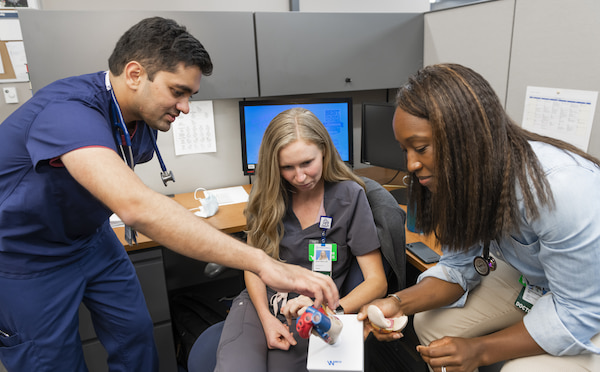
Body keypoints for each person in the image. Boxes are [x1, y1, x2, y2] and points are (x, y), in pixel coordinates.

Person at [0, 17, 338, 372]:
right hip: (26, 255)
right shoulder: (68, 112)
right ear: (134, 74)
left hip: (90, 239)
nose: (186, 107)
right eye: (178, 91)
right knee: (51, 363)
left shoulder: (141, 118)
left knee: (135, 335)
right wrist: (263, 262)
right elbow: (135, 206)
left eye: (190, 95)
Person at [357, 63, 600, 372]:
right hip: (540, 281)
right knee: (432, 326)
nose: (411, 165)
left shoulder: (561, 189)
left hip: (589, 301)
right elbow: (459, 267)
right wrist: (395, 302)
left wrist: (479, 351)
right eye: (405, 150)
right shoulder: (466, 180)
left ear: (464, 138)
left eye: (420, 148)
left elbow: (578, 310)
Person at [214, 107, 388, 371]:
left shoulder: (349, 197)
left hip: (315, 311)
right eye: (287, 167)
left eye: (307, 163)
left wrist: (330, 312)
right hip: (261, 301)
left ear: (325, 152)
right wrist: (266, 319)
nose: (300, 177)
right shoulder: (267, 196)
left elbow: (377, 282)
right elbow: (253, 266)